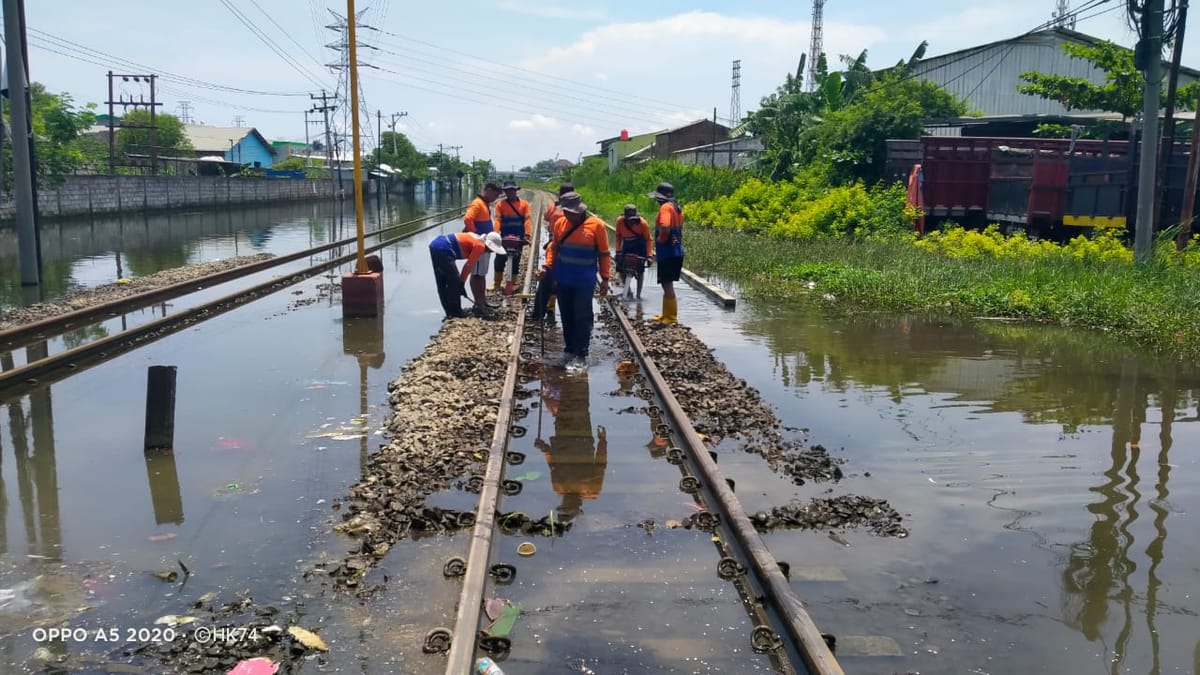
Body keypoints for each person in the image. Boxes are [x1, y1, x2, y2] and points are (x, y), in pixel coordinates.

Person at [538, 192, 611, 372]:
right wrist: (547, 268)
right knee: (567, 316)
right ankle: (569, 350)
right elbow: (554, 248)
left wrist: (605, 278)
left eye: (570, 212)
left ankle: (581, 354)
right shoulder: (560, 223)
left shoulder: (596, 226)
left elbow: (604, 254)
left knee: (582, 316)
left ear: (579, 211)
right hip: (563, 279)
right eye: (566, 212)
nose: (567, 215)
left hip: (584, 281)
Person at [534, 368, 607, 523]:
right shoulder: (592, 490)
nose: (566, 503)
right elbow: (601, 463)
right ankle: (579, 374)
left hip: (562, 438)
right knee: (580, 405)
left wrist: (545, 448)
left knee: (565, 407)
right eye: (568, 506)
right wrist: (602, 441)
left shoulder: (559, 489)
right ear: (578, 505)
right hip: (582, 437)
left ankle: (567, 374)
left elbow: (553, 465)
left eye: (563, 506)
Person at [428, 231, 506, 318]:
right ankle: (456, 313)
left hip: (436, 245)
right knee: (454, 281)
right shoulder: (480, 246)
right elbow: (468, 266)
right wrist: (461, 283)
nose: (492, 252)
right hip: (443, 248)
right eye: (492, 249)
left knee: (442, 281)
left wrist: (461, 284)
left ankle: (449, 313)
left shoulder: (478, 238)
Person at [531, 182, 576, 324]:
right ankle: (568, 311)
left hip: (554, 244)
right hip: (572, 248)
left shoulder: (553, 208)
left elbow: (545, 218)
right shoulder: (578, 211)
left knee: (549, 275)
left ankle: (540, 313)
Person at [462, 181, 504, 308]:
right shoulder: (477, 203)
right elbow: (468, 219)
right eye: (495, 195)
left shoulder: (484, 204)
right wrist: (476, 236)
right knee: (476, 274)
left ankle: (483, 300)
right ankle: (478, 302)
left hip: (485, 246)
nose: (495, 198)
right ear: (488, 191)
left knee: (482, 273)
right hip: (479, 245)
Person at [648, 181, 684, 324]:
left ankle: (671, 317)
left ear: (660, 197)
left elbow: (665, 226)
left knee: (667, 284)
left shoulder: (665, 208)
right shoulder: (676, 207)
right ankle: (666, 314)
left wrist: (661, 239)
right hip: (675, 251)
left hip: (668, 252)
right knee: (666, 283)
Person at [491, 180, 533, 295]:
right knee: (499, 260)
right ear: (505, 192)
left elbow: (527, 220)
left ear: (515, 191)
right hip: (504, 237)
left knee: (516, 260)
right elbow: (498, 220)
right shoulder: (500, 205)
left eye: (512, 190)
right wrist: (495, 234)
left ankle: (513, 284)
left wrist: (527, 235)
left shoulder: (524, 204)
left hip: (518, 238)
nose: (510, 193)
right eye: (508, 191)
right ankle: (497, 284)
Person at [614, 204, 654, 299]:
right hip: (627, 244)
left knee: (640, 270)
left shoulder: (643, 224)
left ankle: (638, 295)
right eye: (629, 220)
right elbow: (618, 236)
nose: (631, 222)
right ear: (625, 217)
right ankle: (628, 291)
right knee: (620, 268)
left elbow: (648, 240)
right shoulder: (620, 221)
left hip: (639, 246)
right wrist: (618, 251)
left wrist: (649, 256)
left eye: (633, 220)